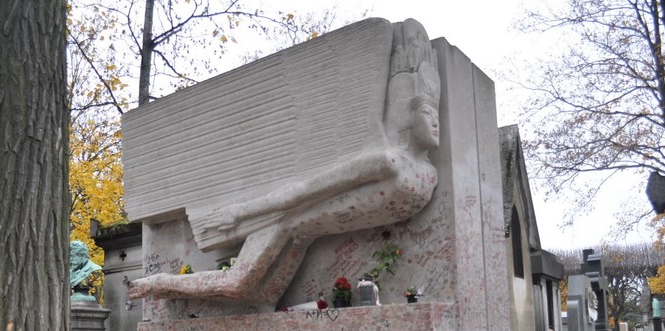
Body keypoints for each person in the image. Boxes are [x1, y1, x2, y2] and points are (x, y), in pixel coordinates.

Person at [130, 19, 440, 303]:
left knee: (260, 300)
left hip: (301, 235)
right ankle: (158, 283)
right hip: (279, 220)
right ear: (409, 116)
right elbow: (303, 191)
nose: (437, 122)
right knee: (237, 284)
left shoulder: (428, 176)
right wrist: (238, 213)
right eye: (428, 112)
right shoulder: (388, 162)